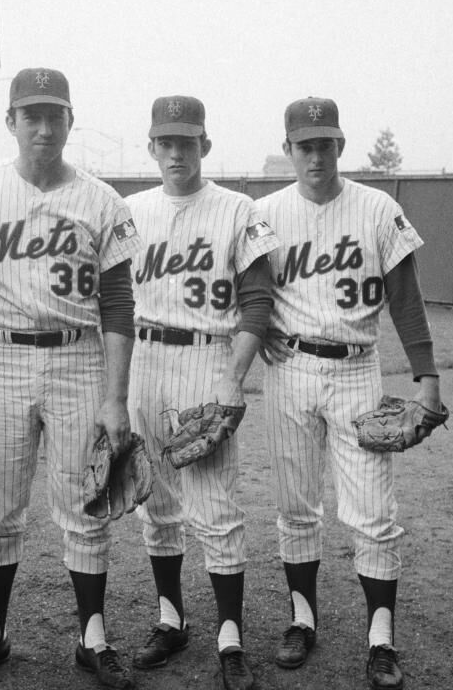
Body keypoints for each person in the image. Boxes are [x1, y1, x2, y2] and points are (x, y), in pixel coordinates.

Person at [0, 67, 144, 689]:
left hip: (79, 358)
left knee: (84, 503)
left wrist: (115, 397)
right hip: (0, 358)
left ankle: (93, 637)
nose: (45, 126)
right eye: (32, 115)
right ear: (11, 122)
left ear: (70, 123)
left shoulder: (101, 199)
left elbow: (119, 304)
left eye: (56, 115)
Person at [255, 97, 445, 690]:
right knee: (295, 505)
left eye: (326, 143)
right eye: (304, 145)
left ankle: (381, 638)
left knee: (372, 512)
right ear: (288, 149)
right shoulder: (262, 213)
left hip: (358, 370)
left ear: (341, 145)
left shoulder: (376, 208)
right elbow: (250, 291)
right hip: (288, 372)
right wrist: (257, 333)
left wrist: (428, 377)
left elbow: (406, 301)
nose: (316, 155)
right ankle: (302, 619)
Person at [124, 96, 279, 690]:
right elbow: (110, 298)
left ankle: (230, 635)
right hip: (144, 360)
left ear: (204, 146)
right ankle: (171, 620)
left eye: (186, 142)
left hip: (208, 357)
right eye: (165, 142)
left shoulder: (239, 209)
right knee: (155, 503)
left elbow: (258, 301)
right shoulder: (130, 210)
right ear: (152, 148)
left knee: (214, 506)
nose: (175, 153)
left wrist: (231, 379)